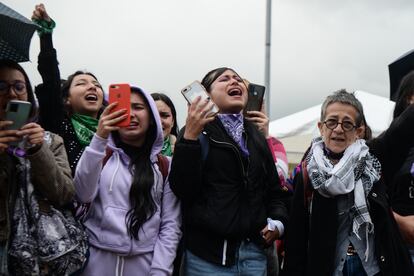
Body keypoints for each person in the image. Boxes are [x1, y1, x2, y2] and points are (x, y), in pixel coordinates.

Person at [169, 67, 290, 275]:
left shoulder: (256, 136)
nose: (234, 82)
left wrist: (277, 223)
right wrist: (189, 138)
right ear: (206, 95)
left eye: (237, 79)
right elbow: (183, 190)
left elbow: (275, 191)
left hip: (254, 256)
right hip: (207, 259)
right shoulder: (196, 132)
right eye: (224, 79)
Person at [282, 89, 414, 276]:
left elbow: (402, 129)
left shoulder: (372, 159)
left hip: (371, 267)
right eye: (332, 122)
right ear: (321, 127)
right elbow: (297, 238)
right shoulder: (307, 172)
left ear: (359, 131)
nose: (338, 129)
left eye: (347, 124)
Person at [74, 86, 181, 275]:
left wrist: (160, 271)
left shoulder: (166, 166)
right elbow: (82, 194)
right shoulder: (99, 155)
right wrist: (99, 138)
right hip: (95, 263)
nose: (130, 114)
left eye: (138, 107)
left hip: (145, 266)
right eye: (123, 107)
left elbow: (170, 225)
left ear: (151, 118)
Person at [0, 59, 74, 274]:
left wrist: (39, 150)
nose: (12, 94)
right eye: (1, 87)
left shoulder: (51, 141)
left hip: (43, 256)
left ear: (29, 96)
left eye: (19, 87)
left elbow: (64, 194)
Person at [32, 4, 105, 175]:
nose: (92, 87)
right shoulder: (59, 125)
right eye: (81, 84)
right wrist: (46, 37)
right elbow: (51, 82)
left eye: (97, 85)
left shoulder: (116, 134)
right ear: (66, 99)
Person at [387, 71, 414, 263]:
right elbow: (371, 195)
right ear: (407, 99)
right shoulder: (390, 146)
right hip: (399, 246)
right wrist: (399, 222)